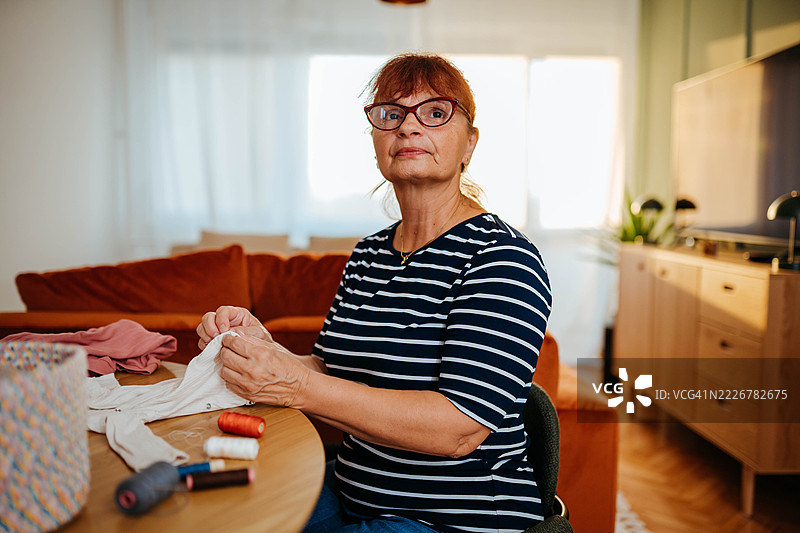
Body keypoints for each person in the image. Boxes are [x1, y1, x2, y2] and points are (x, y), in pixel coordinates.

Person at [197, 53, 552, 533]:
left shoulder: (502, 259)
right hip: (354, 494)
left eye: (434, 112)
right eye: (391, 114)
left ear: (469, 144)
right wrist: (265, 348)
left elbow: (459, 429)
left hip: (452, 521)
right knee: (221, 516)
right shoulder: (369, 254)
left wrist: (295, 385)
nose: (408, 127)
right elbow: (328, 371)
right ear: (375, 139)